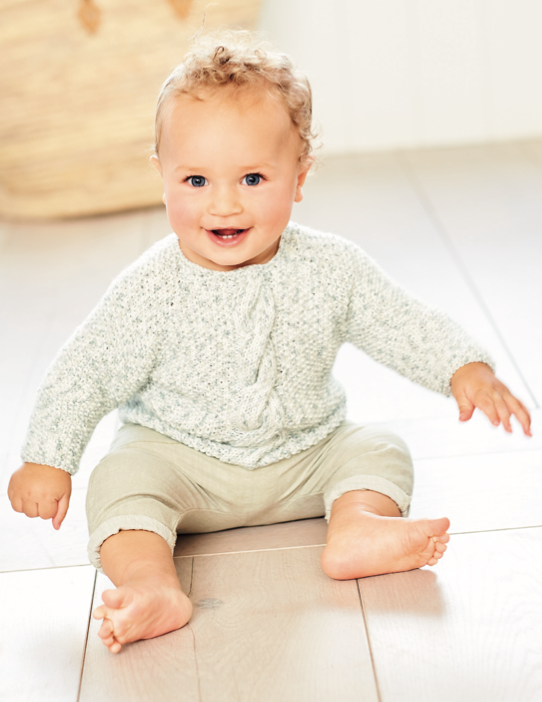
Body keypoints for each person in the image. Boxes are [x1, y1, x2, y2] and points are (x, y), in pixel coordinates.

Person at [8, 30, 531, 654]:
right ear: (162, 176)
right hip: (181, 464)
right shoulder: (149, 290)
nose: (224, 205)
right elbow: (86, 370)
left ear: (299, 177)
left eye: (252, 177)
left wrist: (462, 367)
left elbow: (398, 319)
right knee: (120, 479)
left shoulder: (330, 268)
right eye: (196, 180)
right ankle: (151, 584)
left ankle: (357, 527)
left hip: (305, 456)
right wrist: (49, 457)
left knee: (379, 448)